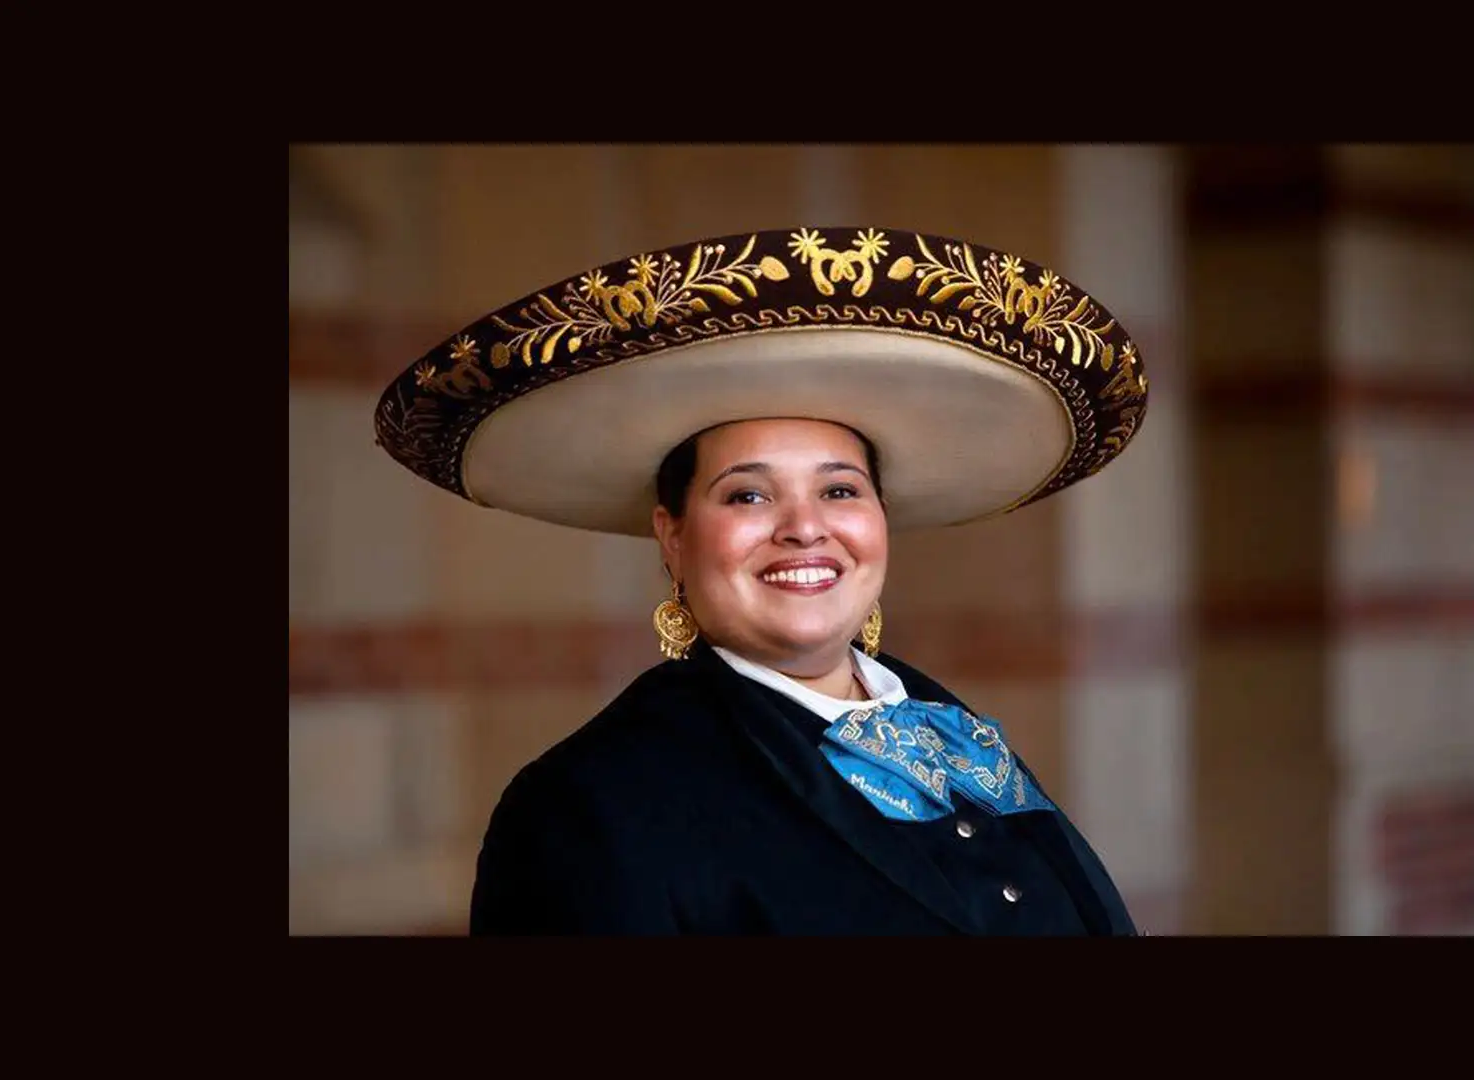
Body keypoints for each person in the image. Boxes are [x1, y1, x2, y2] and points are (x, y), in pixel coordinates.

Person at [375, 226, 1151, 935]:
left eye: (840, 489)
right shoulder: (586, 806)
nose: (804, 526)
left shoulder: (963, 745)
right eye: (747, 494)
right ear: (672, 538)